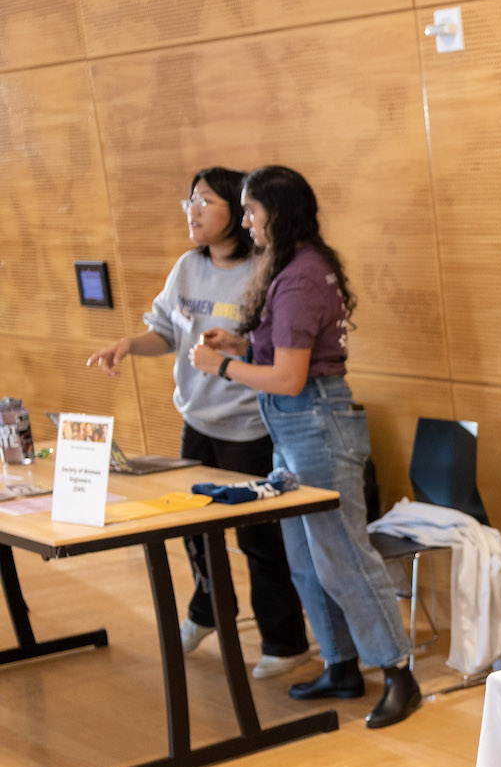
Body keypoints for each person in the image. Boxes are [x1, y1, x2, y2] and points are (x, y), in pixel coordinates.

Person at [191, 166, 419, 728]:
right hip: (294, 428)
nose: (246, 222)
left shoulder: (300, 275)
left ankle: (398, 674)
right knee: (303, 558)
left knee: (342, 556)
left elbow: (291, 377)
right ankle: (341, 665)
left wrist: (221, 364)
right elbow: (286, 349)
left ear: (278, 210)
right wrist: (241, 341)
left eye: (251, 211)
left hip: (315, 423)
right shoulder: (290, 267)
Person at [86, 167, 311, 679]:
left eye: (205, 201)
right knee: (191, 526)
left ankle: (285, 640)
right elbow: (164, 331)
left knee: (259, 537)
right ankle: (210, 611)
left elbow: (277, 352)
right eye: (189, 200)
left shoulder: (266, 269)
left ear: (237, 209)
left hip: (250, 426)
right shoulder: (187, 267)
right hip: (199, 421)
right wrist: (128, 345)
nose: (193, 210)